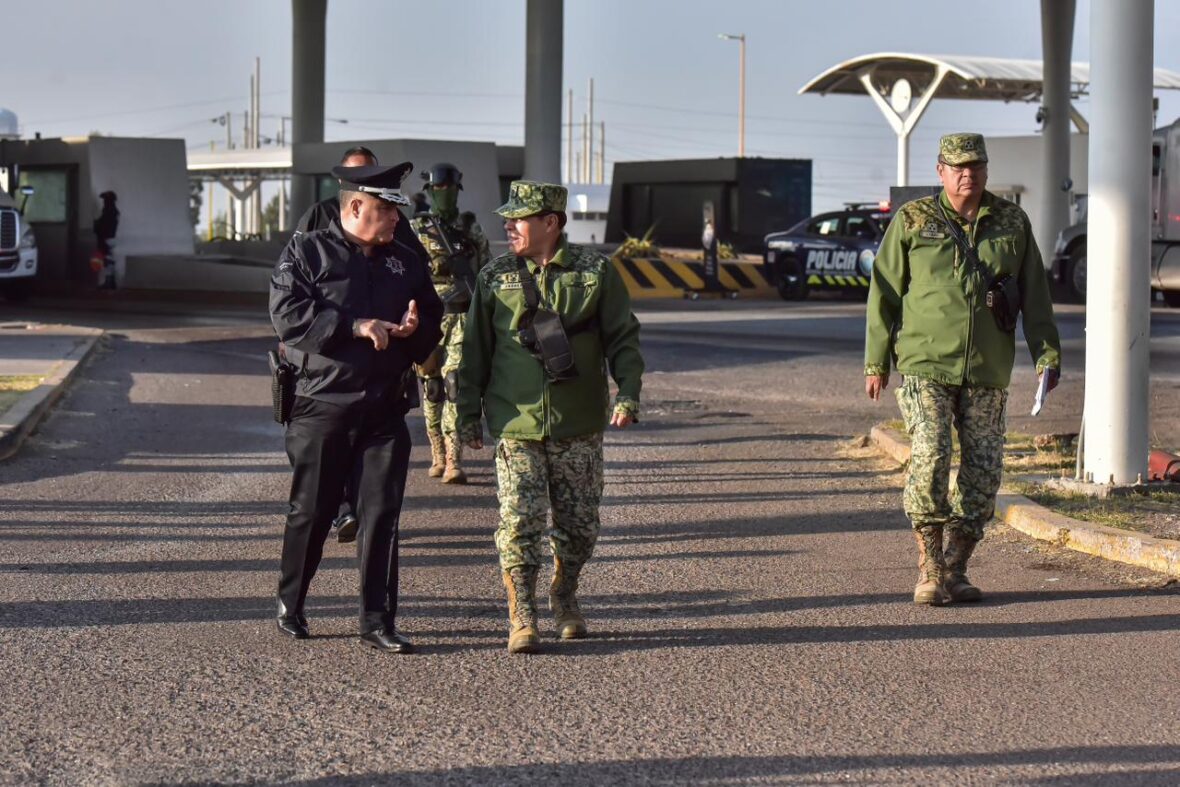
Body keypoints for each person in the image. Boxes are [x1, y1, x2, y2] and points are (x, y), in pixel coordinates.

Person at [864, 133, 1062, 606]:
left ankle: (955, 566)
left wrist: (1047, 354)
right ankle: (930, 566)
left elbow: (1035, 294)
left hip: (987, 366)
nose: (967, 174)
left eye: (975, 166)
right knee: (932, 453)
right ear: (940, 172)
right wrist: (876, 360)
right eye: (957, 167)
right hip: (925, 362)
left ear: (986, 170)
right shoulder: (913, 219)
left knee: (984, 470)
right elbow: (884, 291)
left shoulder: (1012, 221)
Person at [456, 181, 644, 654]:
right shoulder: (495, 276)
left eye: (518, 218)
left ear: (550, 222)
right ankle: (522, 613)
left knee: (580, 527)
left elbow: (622, 338)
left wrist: (628, 394)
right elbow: (475, 349)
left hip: (578, 423)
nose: (508, 226)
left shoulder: (595, 272)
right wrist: (467, 413)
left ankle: (564, 593)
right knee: (519, 522)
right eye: (507, 218)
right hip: (515, 422)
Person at [269, 163, 443, 652]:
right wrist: (354, 325)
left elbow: (432, 315)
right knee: (312, 512)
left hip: (384, 408)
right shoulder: (307, 252)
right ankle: (291, 604)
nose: (395, 219)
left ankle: (377, 621)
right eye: (387, 209)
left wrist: (414, 332)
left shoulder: (405, 259)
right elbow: (287, 314)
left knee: (382, 514)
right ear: (356, 206)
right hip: (321, 405)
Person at [294, 147, 431, 544]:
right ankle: (341, 511)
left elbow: (416, 273)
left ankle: (358, 514)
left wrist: (414, 323)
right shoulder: (318, 218)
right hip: (326, 370)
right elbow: (292, 290)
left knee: (374, 462)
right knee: (320, 467)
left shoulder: (391, 219)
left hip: (379, 370)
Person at [410, 162, 491, 484]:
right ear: (430, 191)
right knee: (432, 388)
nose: (444, 193)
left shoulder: (469, 227)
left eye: (449, 188)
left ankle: (454, 460)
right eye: (438, 189)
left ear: (458, 190)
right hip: (429, 318)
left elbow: (485, 269)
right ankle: (438, 454)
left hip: (462, 317)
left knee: (454, 383)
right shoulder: (417, 229)